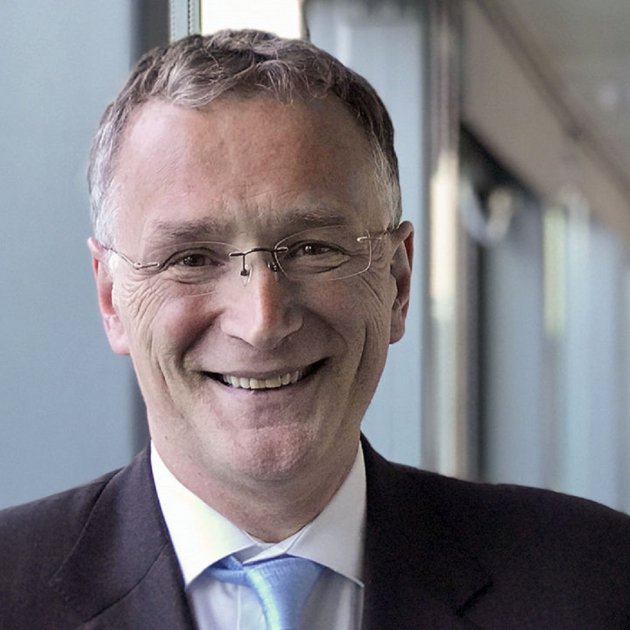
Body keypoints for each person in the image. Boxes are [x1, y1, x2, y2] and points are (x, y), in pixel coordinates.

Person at [1, 29, 629, 630]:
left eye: (311, 249)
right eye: (191, 258)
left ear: (398, 281)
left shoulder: (597, 582)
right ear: (111, 299)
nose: (262, 321)